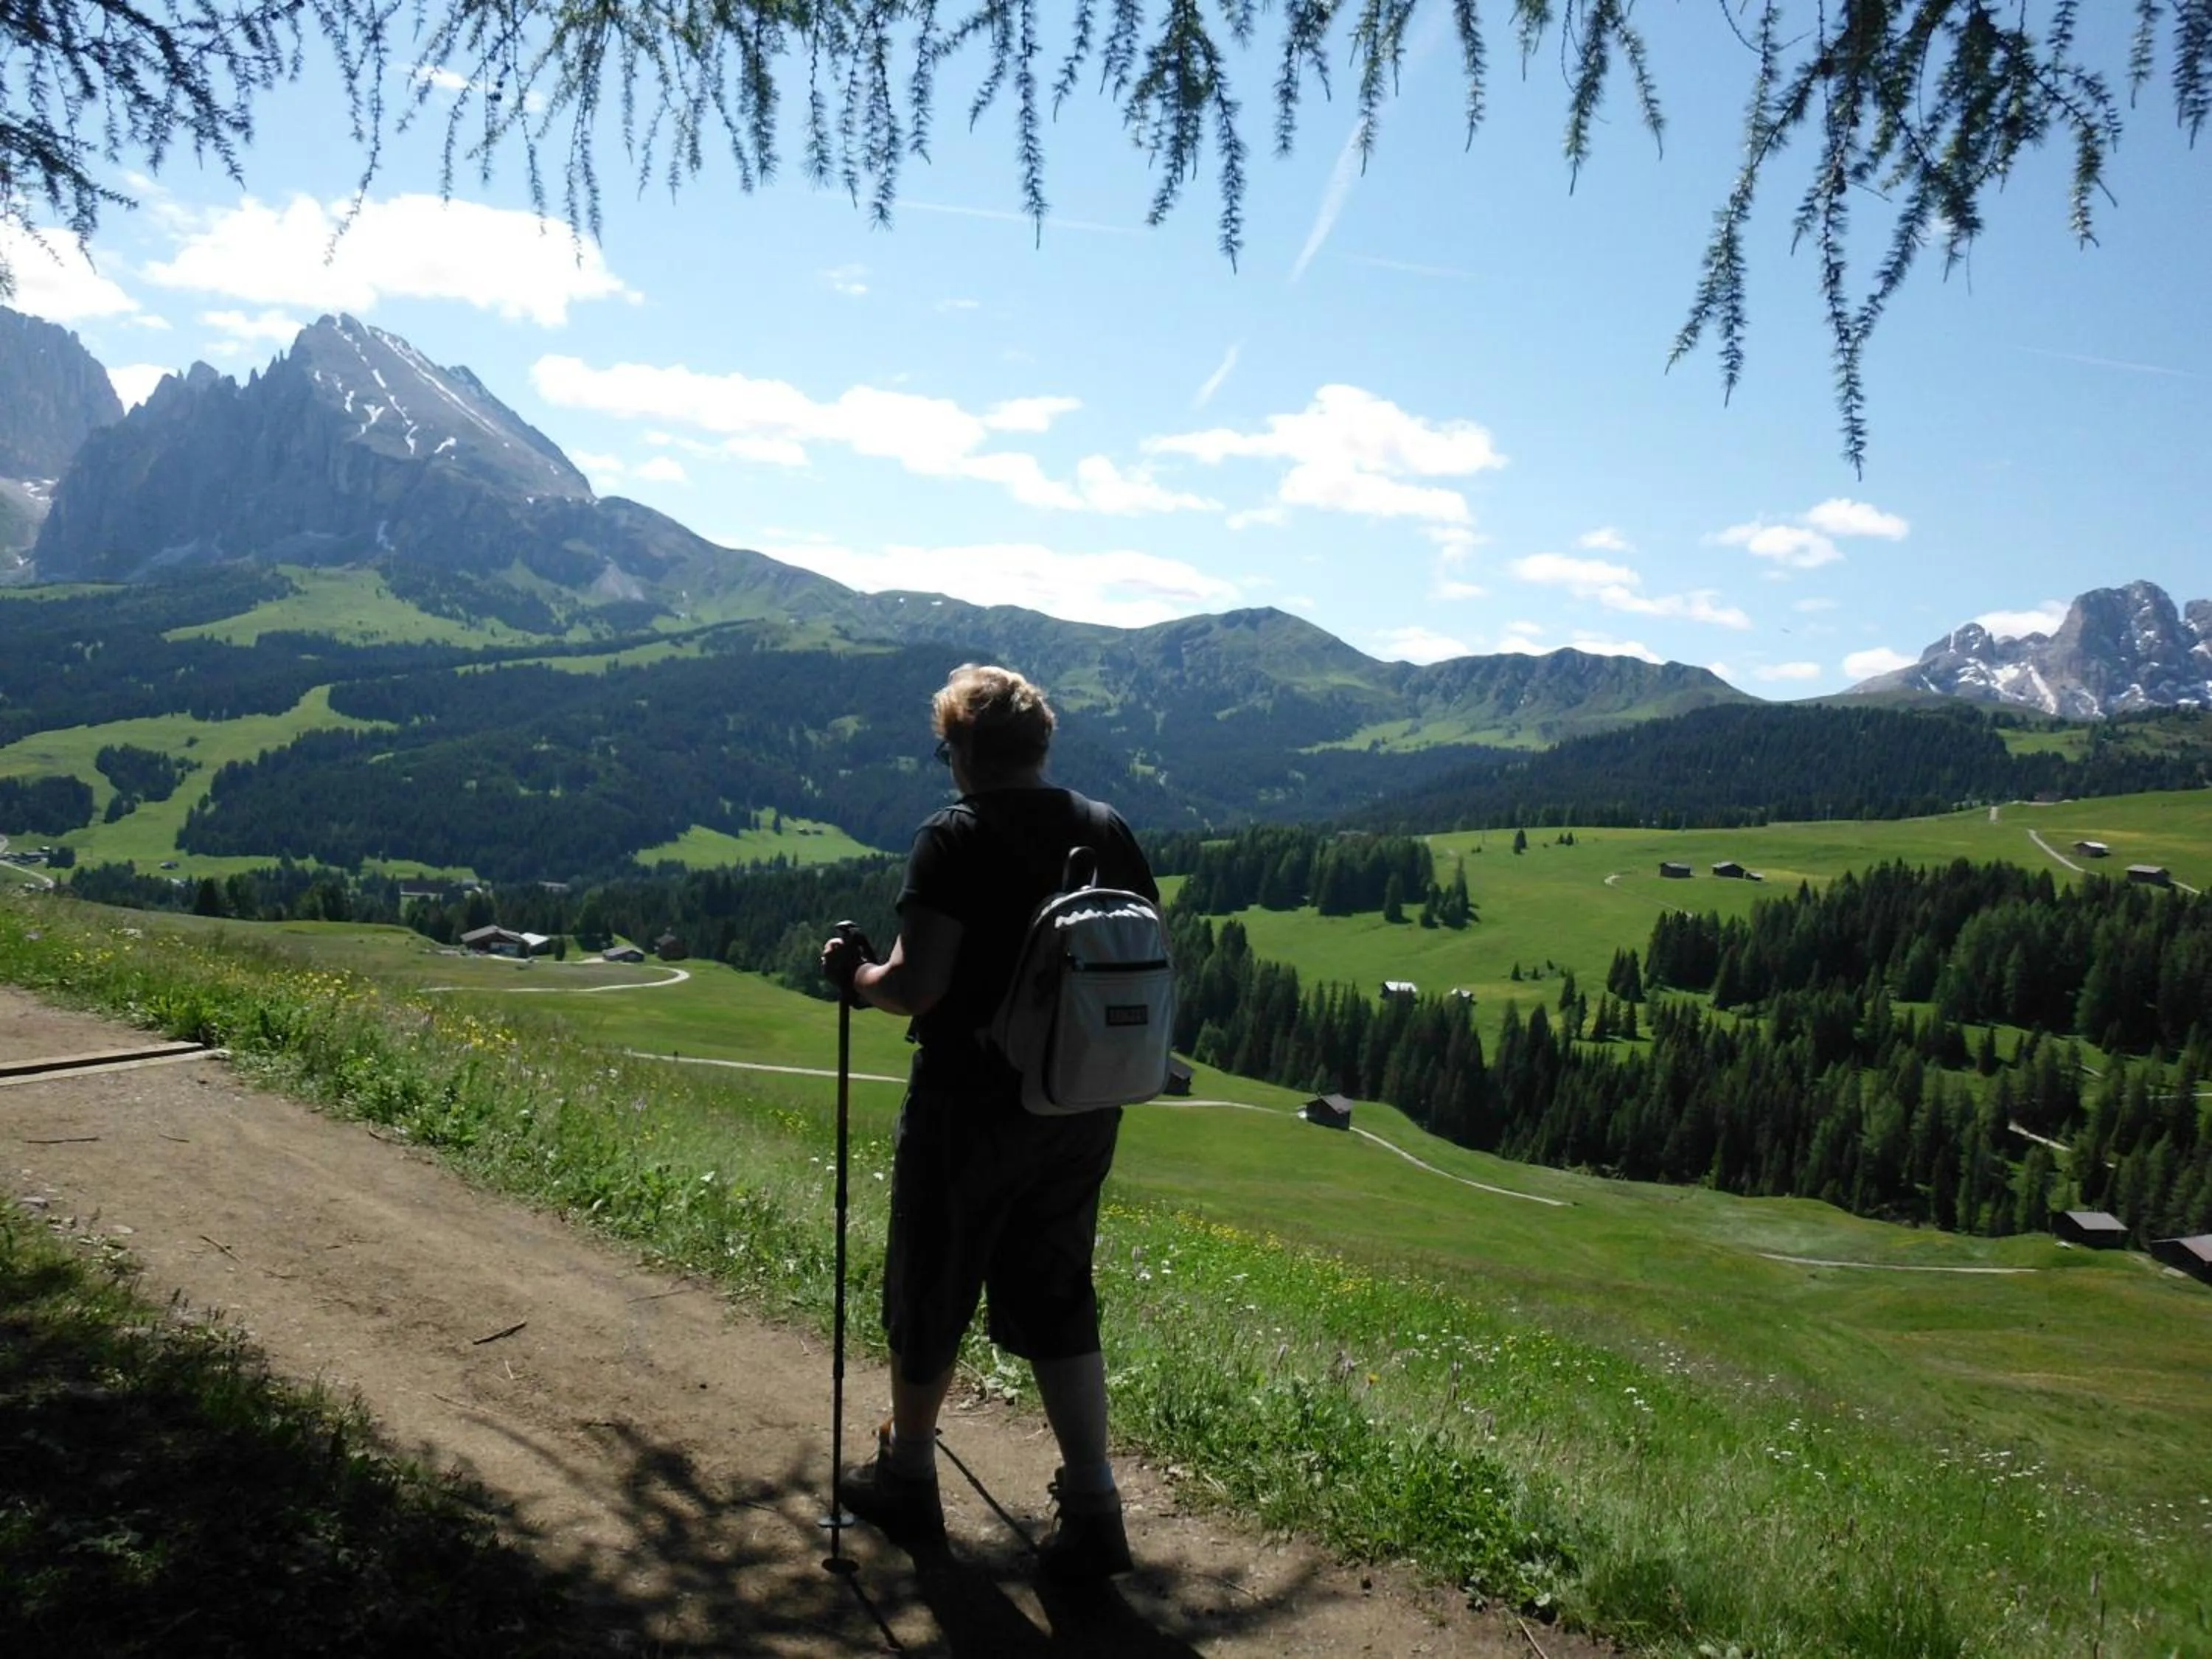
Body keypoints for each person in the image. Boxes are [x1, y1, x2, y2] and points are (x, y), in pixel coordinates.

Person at [819, 662, 1157, 1580]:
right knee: (1058, 1294)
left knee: (932, 1282)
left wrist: (852, 975)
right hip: (1079, 1103)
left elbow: (917, 985)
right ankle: (1093, 1505)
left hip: (969, 1104)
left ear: (963, 749)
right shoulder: (1107, 828)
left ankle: (911, 1476)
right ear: (1041, 744)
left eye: (946, 745)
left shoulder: (954, 836)